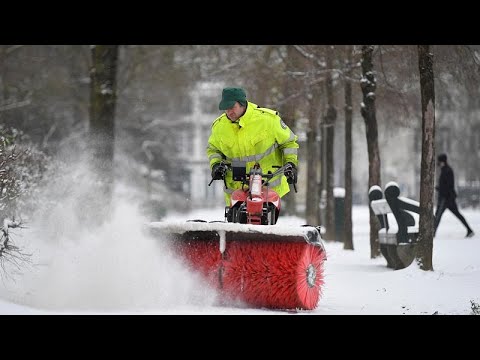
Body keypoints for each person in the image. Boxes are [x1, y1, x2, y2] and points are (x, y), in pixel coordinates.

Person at [206, 87, 299, 220]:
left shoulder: (268, 120)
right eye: (225, 108)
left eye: (232, 107)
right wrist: (216, 165)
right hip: (236, 192)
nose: (229, 112)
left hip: (268, 189)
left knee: (265, 228)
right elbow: (213, 149)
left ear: (242, 103)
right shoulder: (219, 126)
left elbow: (289, 143)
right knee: (236, 235)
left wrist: (291, 164)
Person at [434, 153, 474, 238]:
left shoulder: (447, 170)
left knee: (437, 216)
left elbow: (448, 185)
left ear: (442, 161)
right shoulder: (445, 170)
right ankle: (469, 230)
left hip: (445, 198)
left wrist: (440, 189)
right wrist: (439, 188)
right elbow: (446, 185)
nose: (437, 163)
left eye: (439, 161)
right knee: (455, 215)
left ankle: (432, 234)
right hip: (448, 198)